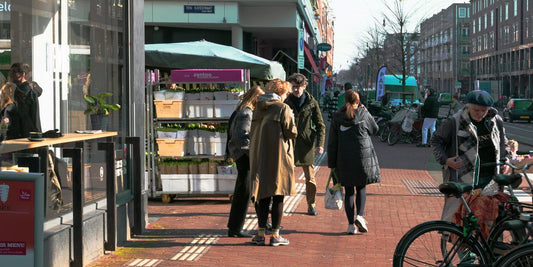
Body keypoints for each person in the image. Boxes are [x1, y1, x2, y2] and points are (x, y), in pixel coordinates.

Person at [431, 90, 510, 236]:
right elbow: (436, 140)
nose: (480, 113)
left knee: (489, 219)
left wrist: (505, 160)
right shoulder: (455, 121)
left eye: (484, 110)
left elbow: (503, 143)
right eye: (476, 110)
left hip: (491, 178)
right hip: (464, 179)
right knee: (462, 222)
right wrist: (445, 160)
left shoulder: (495, 120)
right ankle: (465, 257)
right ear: (468, 106)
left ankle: (486, 254)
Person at [249, 78, 297, 246]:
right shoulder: (283, 108)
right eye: (286, 93)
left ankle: (260, 233)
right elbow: (291, 132)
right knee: (278, 194)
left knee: (263, 195)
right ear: (281, 93)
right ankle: (275, 235)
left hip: (259, 156)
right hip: (278, 157)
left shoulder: (257, 107)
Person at [327, 89, 381, 234]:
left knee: (349, 191)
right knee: (361, 188)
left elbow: (332, 143)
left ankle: (351, 225)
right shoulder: (363, 114)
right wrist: (367, 112)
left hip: (344, 159)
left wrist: (332, 164)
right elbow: (375, 130)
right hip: (363, 158)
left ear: (345, 101)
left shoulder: (337, 117)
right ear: (358, 101)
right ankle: (360, 216)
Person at [226, 86, 264, 238]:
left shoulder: (243, 110)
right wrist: (252, 153)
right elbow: (241, 138)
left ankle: (262, 222)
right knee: (244, 192)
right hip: (244, 156)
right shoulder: (246, 113)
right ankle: (235, 227)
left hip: (242, 155)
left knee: (249, 190)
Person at [285, 73, 326, 216]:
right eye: (293, 87)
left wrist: (320, 144)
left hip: (306, 143)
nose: (296, 90)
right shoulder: (285, 101)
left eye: (298, 87)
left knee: (310, 178)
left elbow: (321, 125)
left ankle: (311, 204)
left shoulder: (311, 102)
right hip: (288, 143)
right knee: (283, 175)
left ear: (304, 86)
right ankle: (277, 203)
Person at [9, 63, 41, 137]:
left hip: (26, 133)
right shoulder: (21, 89)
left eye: (14, 72)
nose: (11, 75)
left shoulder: (26, 90)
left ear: (23, 74)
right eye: (11, 72)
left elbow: (30, 113)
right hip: (25, 132)